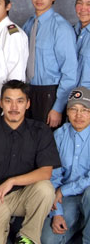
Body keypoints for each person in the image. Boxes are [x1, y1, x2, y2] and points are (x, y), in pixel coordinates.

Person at [0, 80, 61, 244]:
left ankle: (27, 237)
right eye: (8, 100)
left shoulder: (40, 131)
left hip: (25, 195)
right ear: (0, 103)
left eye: (20, 101)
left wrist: (12, 181)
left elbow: (46, 172)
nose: (14, 107)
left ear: (27, 104)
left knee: (46, 189)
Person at [23, 0, 78, 128]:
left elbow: (70, 73)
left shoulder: (61, 28)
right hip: (27, 92)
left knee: (46, 145)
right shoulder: (28, 25)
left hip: (50, 95)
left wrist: (58, 107)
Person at [41, 86, 90, 244]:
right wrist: (57, 213)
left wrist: (64, 190)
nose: (79, 115)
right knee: (47, 239)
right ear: (67, 112)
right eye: (73, 109)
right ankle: (80, 223)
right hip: (67, 199)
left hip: (85, 194)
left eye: (84, 110)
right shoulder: (59, 136)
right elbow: (53, 175)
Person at [74, 0, 90, 88]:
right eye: (80, 3)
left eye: (89, 4)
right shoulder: (68, 32)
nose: (83, 8)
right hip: (67, 99)